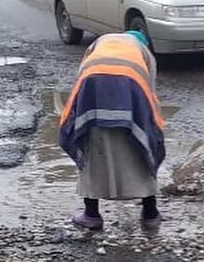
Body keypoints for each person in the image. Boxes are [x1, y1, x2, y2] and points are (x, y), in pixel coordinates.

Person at [58, 29, 165, 232]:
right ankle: (150, 214)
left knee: (92, 152)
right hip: (131, 96)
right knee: (143, 147)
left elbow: (81, 75)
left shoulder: (98, 44)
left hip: (91, 96)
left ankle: (91, 215)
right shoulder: (142, 51)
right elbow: (150, 90)